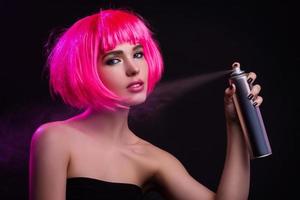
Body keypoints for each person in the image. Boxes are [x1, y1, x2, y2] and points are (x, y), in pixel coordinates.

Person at [29, 8, 263, 200]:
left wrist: (237, 124)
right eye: (114, 60)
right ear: (86, 70)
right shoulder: (55, 138)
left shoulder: (153, 159)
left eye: (138, 54)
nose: (133, 68)